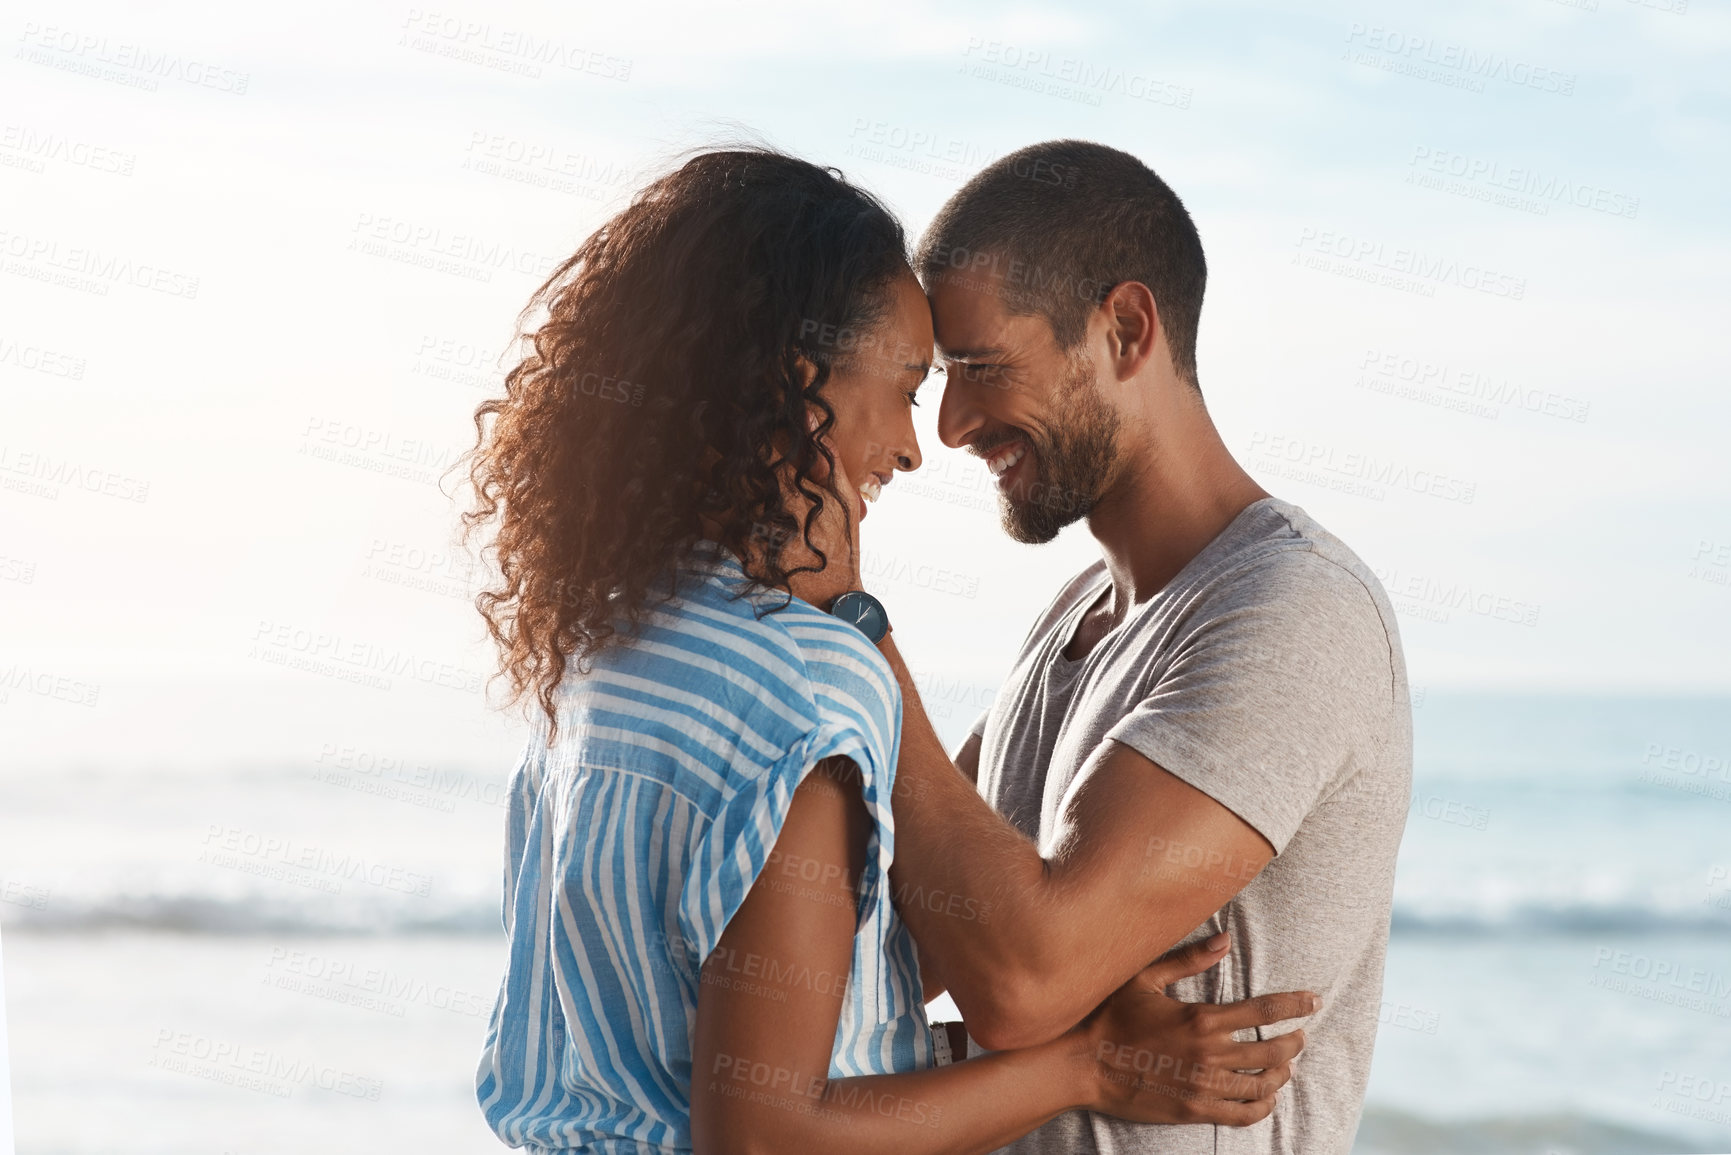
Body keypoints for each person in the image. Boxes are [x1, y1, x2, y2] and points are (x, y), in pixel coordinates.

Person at [460, 147, 1317, 1154]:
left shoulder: (606, 649)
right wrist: (1090, 1065)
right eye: (914, 386)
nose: (927, 441)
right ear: (797, 384)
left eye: (969, 374)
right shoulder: (809, 680)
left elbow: (798, 1012)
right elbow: (772, 1127)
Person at [806, 140, 1414, 1153]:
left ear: (1125, 328)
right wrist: (1083, 1064)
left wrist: (851, 622)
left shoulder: (1295, 610)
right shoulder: (1074, 621)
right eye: (938, 381)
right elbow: (891, 959)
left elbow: (1021, 977)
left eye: (982, 368)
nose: (950, 426)